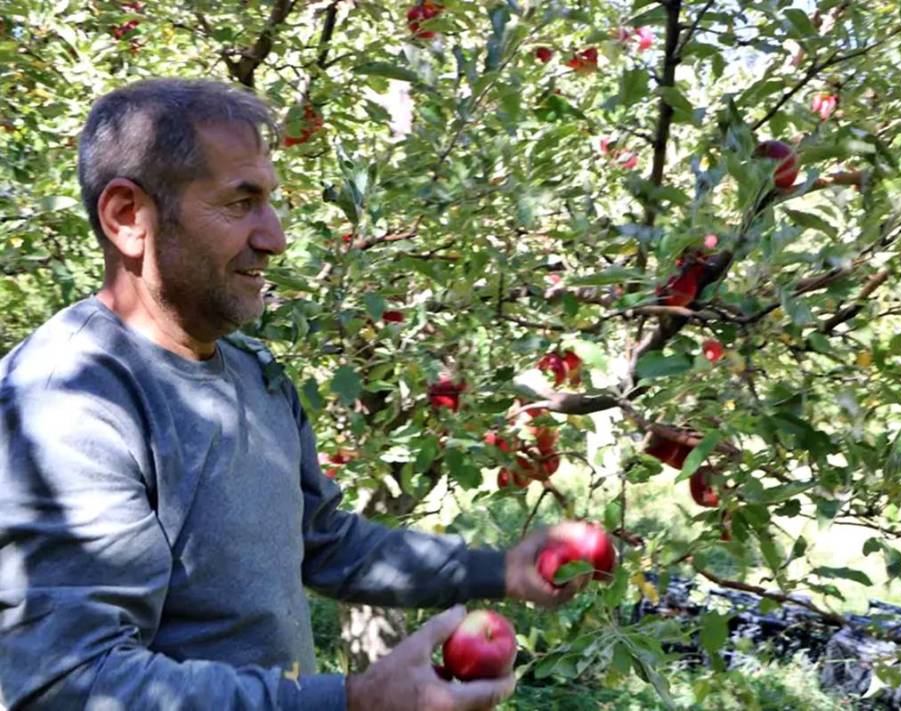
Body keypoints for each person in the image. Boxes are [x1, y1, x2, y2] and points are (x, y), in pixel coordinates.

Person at [0, 78, 584, 710]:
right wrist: (353, 702)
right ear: (128, 217)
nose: (274, 237)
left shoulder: (253, 371)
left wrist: (500, 570)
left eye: (270, 202)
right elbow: (70, 683)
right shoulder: (71, 403)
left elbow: (323, 540)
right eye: (240, 203)